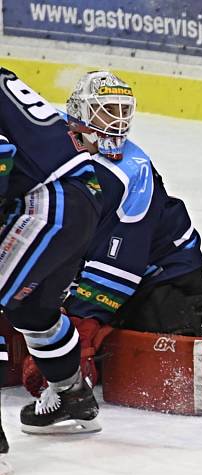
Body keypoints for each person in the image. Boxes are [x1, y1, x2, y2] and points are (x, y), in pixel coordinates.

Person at [21, 70, 202, 398]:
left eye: (124, 111)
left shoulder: (132, 172)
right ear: (79, 109)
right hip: (113, 263)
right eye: (107, 109)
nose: (117, 121)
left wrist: (82, 322)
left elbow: (123, 261)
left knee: (150, 364)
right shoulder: (53, 136)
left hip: (168, 279)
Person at [0, 66, 103, 436]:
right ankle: (72, 396)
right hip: (78, 195)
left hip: (48, 203)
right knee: (29, 309)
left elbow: (1, 153)